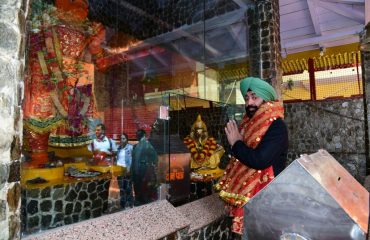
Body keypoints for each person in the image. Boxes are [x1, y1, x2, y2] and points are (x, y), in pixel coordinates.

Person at [215, 77, 288, 235]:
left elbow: (259, 160)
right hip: (253, 201)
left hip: (266, 201)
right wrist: (238, 143)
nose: (249, 103)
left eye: (255, 97)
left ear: (266, 99)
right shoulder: (249, 124)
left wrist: (236, 143)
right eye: (247, 98)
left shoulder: (276, 126)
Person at [131, 129, 158, 206]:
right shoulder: (136, 146)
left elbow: (155, 157)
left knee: (143, 188)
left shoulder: (147, 144)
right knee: (138, 187)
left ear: (142, 135)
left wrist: (148, 164)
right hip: (136, 170)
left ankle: (143, 202)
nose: (136, 135)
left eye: (138, 134)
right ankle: (139, 200)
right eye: (136, 134)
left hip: (143, 170)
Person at [116, 133, 134, 209]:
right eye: (121, 138)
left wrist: (130, 168)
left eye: (124, 138)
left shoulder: (130, 147)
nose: (122, 140)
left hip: (127, 170)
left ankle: (130, 203)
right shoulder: (118, 148)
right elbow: (117, 158)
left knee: (128, 187)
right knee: (121, 188)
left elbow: (133, 158)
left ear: (127, 139)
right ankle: (122, 204)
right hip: (119, 170)